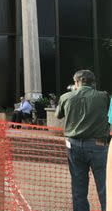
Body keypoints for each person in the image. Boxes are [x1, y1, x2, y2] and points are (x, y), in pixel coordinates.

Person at [56, 70, 109, 211]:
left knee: (78, 188)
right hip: (98, 146)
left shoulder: (66, 97)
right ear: (93, 83)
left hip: (73, 146)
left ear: (76, 82)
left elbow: (58, 115)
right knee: (105, 187)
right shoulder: (104, 97)